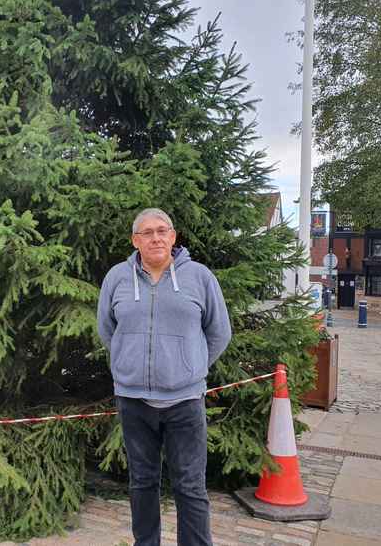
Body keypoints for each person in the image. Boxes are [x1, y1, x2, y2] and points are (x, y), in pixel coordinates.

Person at [97, 208, 232, 546]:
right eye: (146, 232)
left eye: (162, 231)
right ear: (135, 240)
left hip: (185, 402)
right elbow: (107, 331)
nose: (155, 237)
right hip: (133, 401)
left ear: (173, 237)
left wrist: (190, 367)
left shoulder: (200, 277)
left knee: (190, 486)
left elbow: (219, 333)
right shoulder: (116, 278)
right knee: (142, 483)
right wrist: (129, 367)